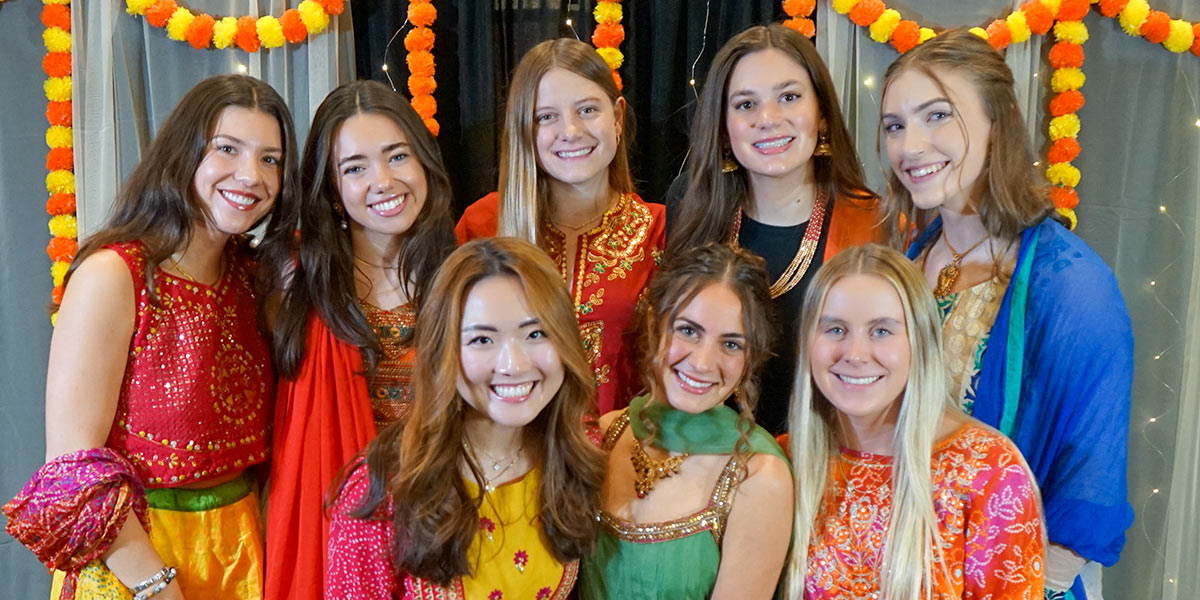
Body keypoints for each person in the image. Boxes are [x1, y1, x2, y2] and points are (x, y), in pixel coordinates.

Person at [3, 74, 300, 599]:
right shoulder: (113, 275)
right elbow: (71, 470)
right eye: (227, 149)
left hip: (241, 557)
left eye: (270, 159)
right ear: (184, 153)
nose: (251, 175)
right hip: (132, 562)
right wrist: (157, 587)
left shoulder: (257, 279)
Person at [879, 29, 1133, 600]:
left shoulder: (1071, 284)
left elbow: (1088, 477)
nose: (909, 146)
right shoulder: (910, 259)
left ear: (1000, 121)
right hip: (906, 566)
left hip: (1016, 577)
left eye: (937, 116)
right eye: (894, 126)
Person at [257, 80, 457, 600]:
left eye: (397, 156)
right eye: (354, 168)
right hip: (335, 542)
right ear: (331, 188)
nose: (383, 181)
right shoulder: (292, 280)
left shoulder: (465, 276)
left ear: (424, 162)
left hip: (453, 531)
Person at [326, 237, 606, 599]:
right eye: (482, 340)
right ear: (443, 352)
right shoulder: (382, 491)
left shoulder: (580, 455)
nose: (514, 365)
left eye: (536, 334)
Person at [783, 244, 1044, 599]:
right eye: (835, 330)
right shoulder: (784, 461)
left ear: (920, 342)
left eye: (881, 331)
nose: (855, 354)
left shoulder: (990, 472)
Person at [665, 24, 885, 435]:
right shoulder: (690, 204)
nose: (768, 119)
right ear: (723, 126)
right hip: (704, 451)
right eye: (746, 104)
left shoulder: (874, 225)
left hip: (825, 454)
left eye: (789, 97)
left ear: (821, 114)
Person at [456, 38, 666, 415]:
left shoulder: (661, 230)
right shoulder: (483, 225)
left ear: (617, 118)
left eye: (587, 110)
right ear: (523, 129)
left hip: (628, 444)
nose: (570, 130)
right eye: (546, 117)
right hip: (513, 445)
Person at [580, 243, 793, 599]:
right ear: (654, 325)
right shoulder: (607, 434)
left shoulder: (757, 475)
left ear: (751, 357)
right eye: (688, 331)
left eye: (731, 344)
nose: (702, 363)